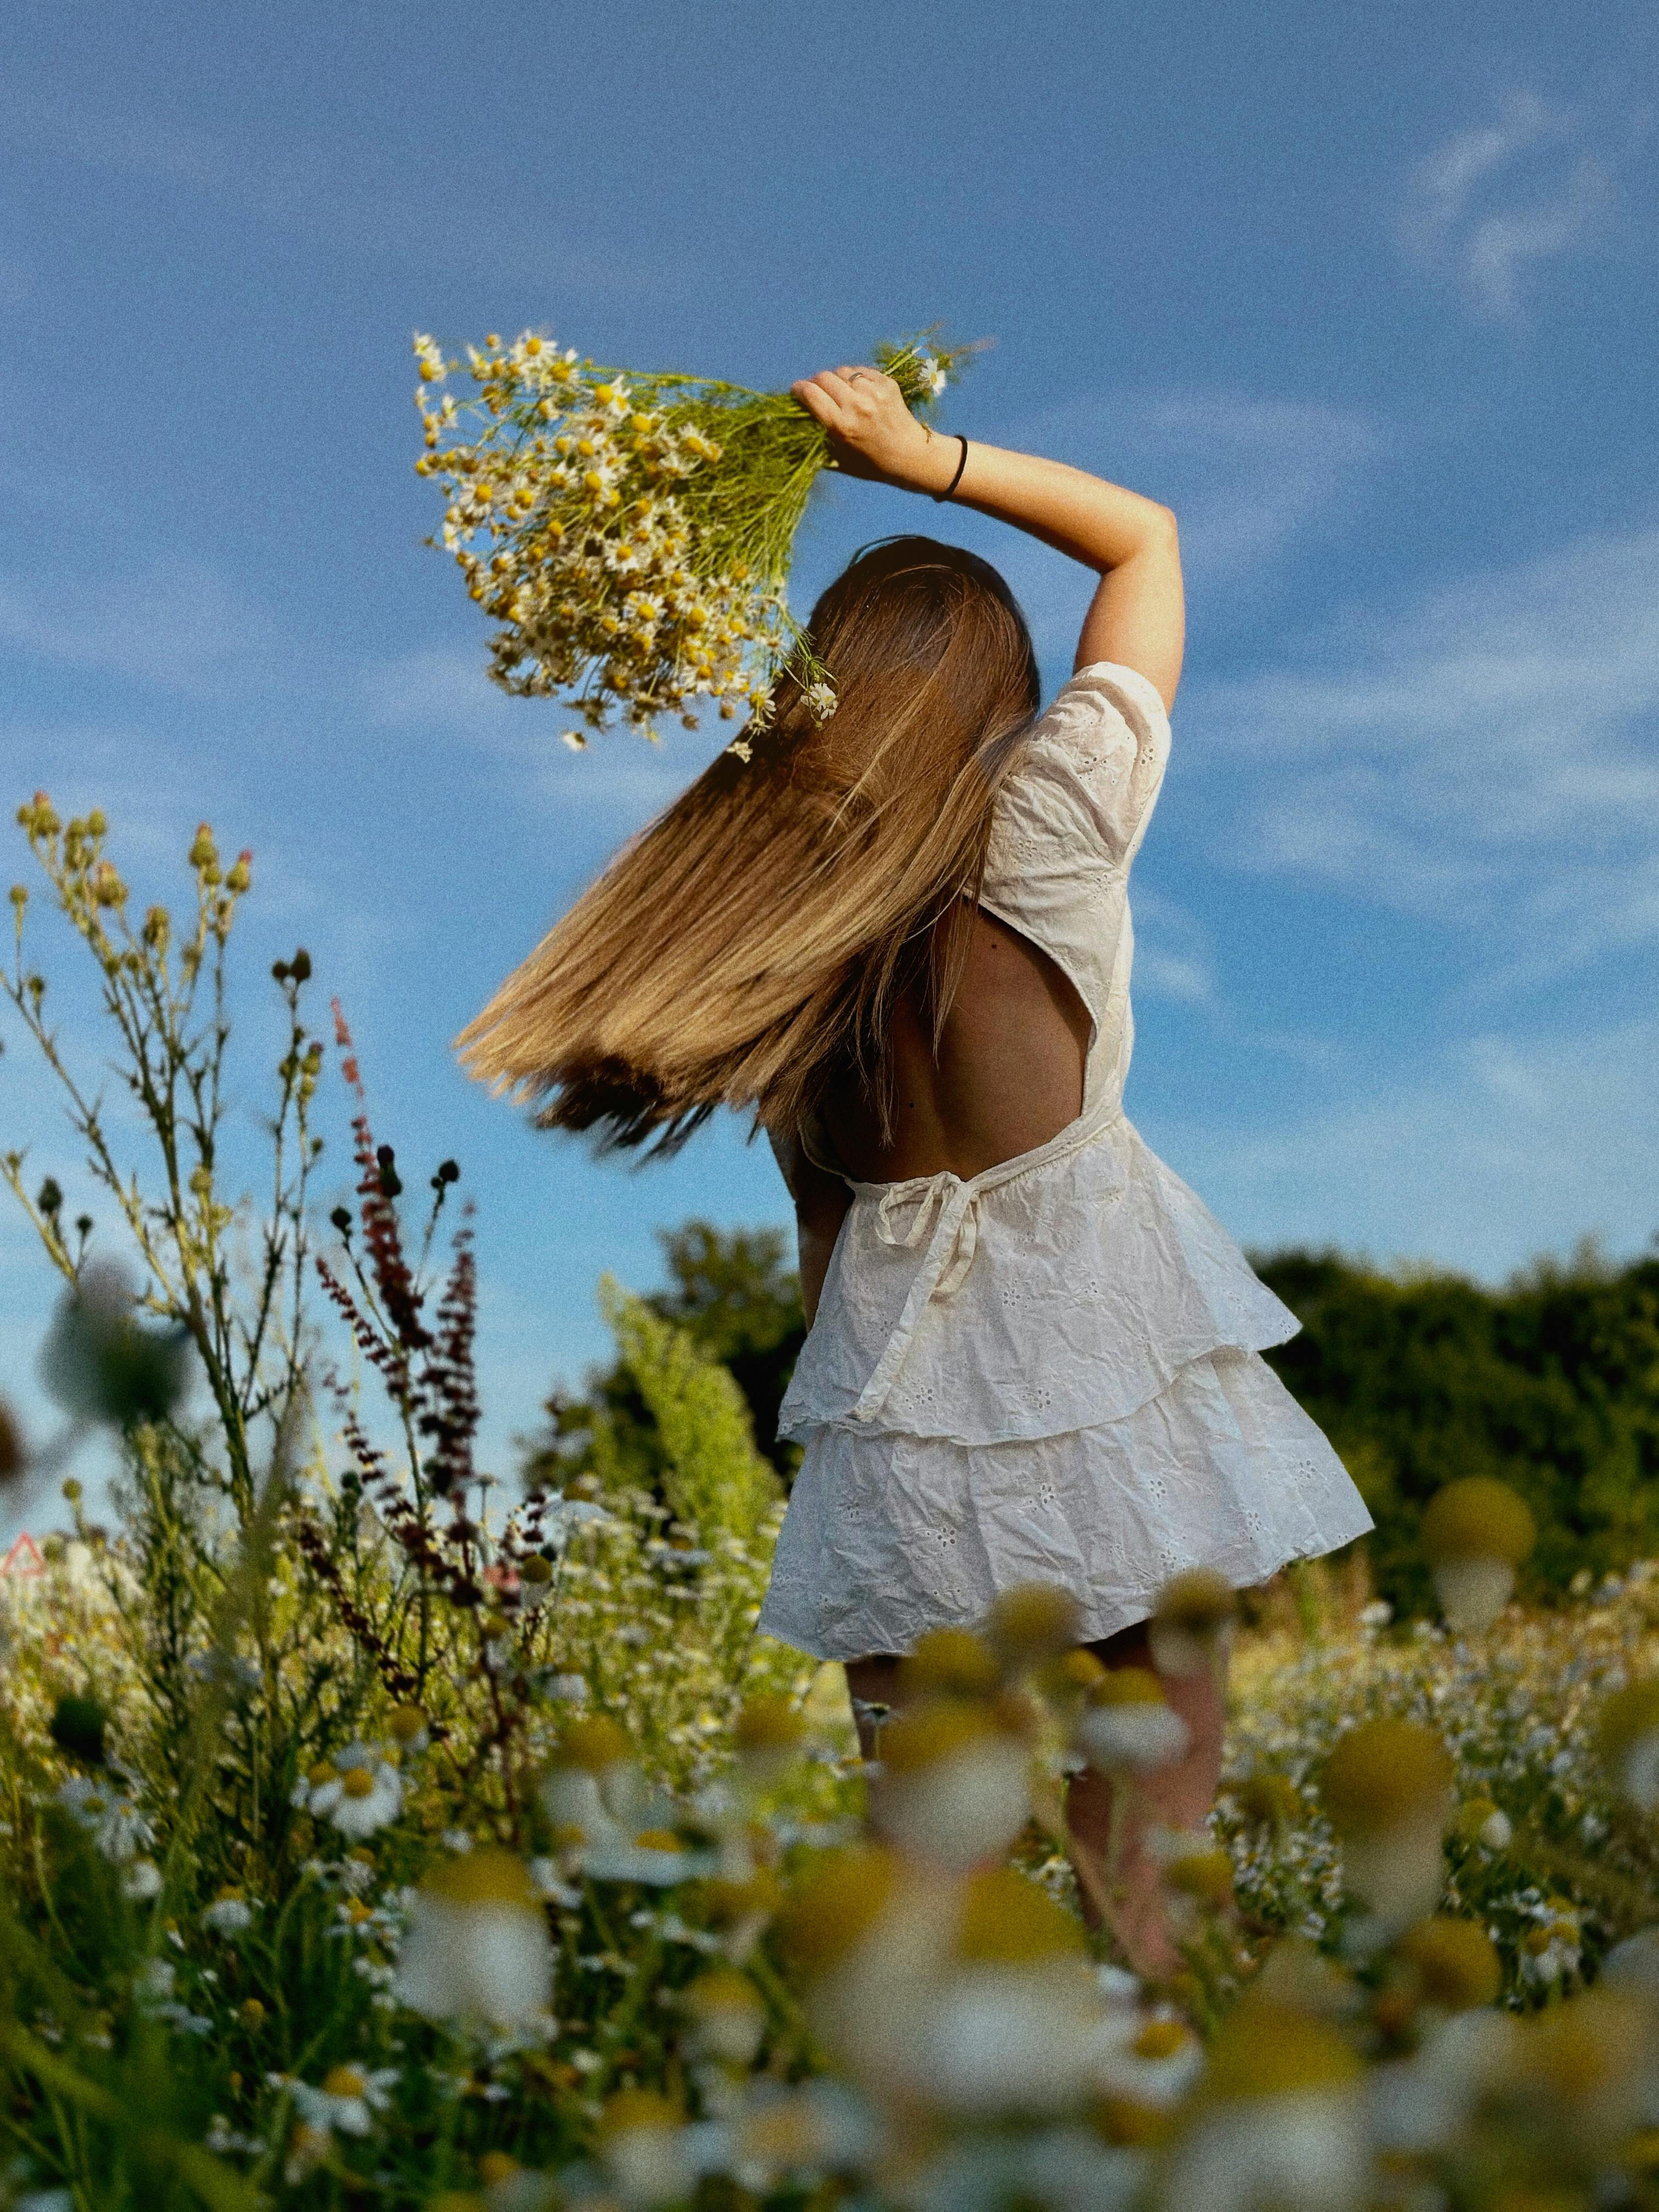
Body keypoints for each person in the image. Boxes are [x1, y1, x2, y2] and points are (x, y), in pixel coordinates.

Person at [459, 362, 1373, 1972]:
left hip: (894, 1407)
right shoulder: (1051, 815)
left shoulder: (781, 959)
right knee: (1142, 1851)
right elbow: (1144, 542)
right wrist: (916, 457)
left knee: (923, 1882)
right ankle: (1142, 2099)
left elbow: (826, 1258)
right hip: (1102, 1360)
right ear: (996, 693)